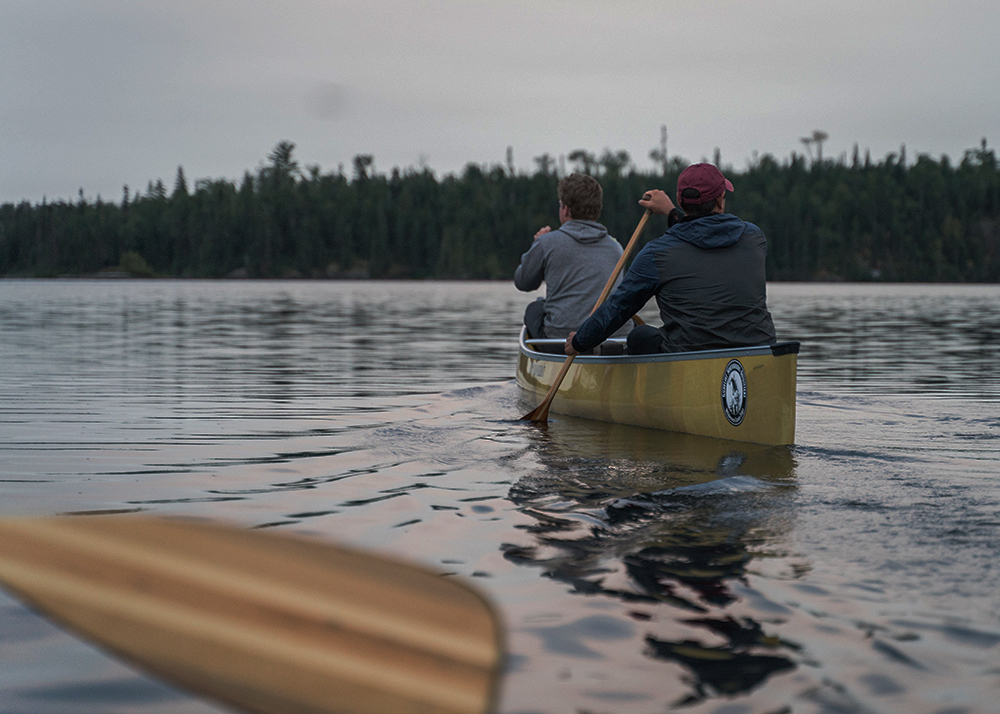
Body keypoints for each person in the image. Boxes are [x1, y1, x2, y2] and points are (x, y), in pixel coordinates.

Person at [565, 162, 776, 356]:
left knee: (639, 337)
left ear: (680, 200)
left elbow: (617, 309)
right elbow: (702, 239)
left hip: (690, 359)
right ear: (721, 200)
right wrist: (673, 215)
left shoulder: (656, 254)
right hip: (756, 355)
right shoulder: (754, 238)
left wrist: (579, 342)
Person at [514, 173, 632, 341]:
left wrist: (536, 245)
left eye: (561, 204)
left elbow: (523, 282)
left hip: (561, 336)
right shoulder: (617, 248)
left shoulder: (546, 243)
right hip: (612, 335)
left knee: (534, 308)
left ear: (566, 209)